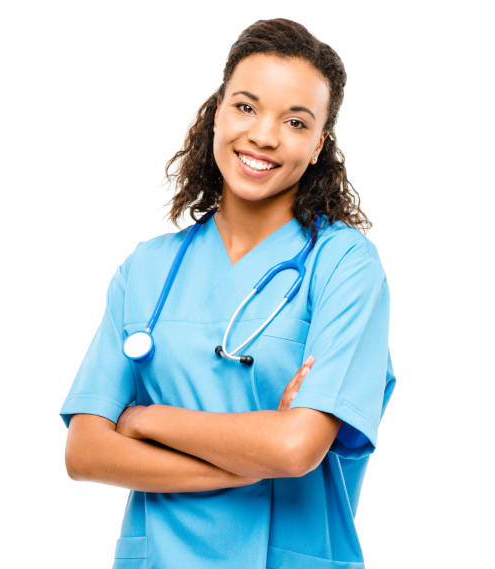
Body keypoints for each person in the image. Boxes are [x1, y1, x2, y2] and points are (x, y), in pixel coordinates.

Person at [60, 17, 397, 569]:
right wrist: (247, 460)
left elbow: (296, 448)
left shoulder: (343, 265)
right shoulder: (147, 269)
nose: (264, 135)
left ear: (318, 145)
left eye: (295, 121)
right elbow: (85, 451)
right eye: (246, 106)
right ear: (216, 112)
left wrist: (146, 420)